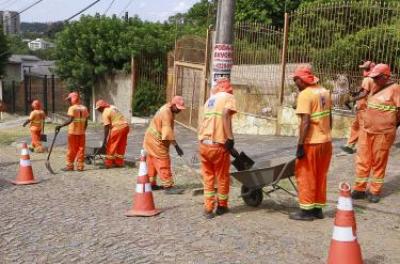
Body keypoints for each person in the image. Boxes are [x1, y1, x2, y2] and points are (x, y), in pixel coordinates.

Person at [352, 64, 400, 203]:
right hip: (367, 130)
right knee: (363, 160)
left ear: (385, 77)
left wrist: (393, 125)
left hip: (383, 133)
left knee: (378, 162)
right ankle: (359, 188)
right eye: (373, 77)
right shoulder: (373, 85)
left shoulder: (395, 89)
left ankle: (374, 190)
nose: (374, 80)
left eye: (377, 77)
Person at [290, 65, 333, 221]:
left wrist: (300, 145)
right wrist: (327, 132)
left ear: (301, 80)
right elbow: (329, 116)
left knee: (306, 175)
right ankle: (317, 209)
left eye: (296, 80)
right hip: (326, 142)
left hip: (312, 143)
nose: (295, 83)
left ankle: (306, 211)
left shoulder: (305, 95)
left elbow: (305, 122)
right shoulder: (324, 91)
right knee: (321, 175)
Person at [198, 78, 237, 219]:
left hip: (203, 144)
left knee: (208, 177)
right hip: (217, 146)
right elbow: (226, 115)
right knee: (222, 177)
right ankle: (222, 206)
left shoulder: (210, 100)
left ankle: (208, 209)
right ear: (228, 88)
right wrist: (230, 139)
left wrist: (229, 141)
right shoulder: (228, 97)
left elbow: (209, 121)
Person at [143, 96, 186, 194]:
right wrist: (177, 147)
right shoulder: (166, 112)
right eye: (178, 108)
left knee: (152, 160)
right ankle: (168, 187)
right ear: (173, 105)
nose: (180, 111)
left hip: (150, 138)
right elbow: (167, 133)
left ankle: (151, 183)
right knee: (163, 160)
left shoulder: (168, 108)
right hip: (156, 140)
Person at [341, 61, 376, 154]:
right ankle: (350, 145)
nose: (363, 70)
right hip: (364, 108)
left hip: (364, 108)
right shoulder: (373, 79)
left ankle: (362, 148)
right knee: (356, 126)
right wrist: (356, 94)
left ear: (369, 69)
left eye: (365, 68)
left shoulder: (367, 79)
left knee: (362, 128)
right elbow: (365, 92)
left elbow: (364, 94)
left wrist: (351, 100)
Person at [55, 92, 89, 171]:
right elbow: (86, 122)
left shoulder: (72, 108)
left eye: (69, 100)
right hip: (82, 133)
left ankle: (70, 166)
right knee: (81, 149)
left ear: (72, 99)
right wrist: (83, 130)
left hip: (73, 132)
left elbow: (70, 120)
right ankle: (80, 166)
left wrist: (60, 126)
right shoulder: (84, 108)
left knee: (71, 149)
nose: (68, 102)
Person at [95, 100, 130, 168]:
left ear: (101, 107)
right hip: (126, 127)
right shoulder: (113, 107)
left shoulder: (105, 112)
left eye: (98, 109)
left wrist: (105, 140)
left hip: (117, 128)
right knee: (121, 145)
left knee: (111, 145)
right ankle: (119, 162)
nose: (98, 111)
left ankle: (108, 164)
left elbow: (106, 127)